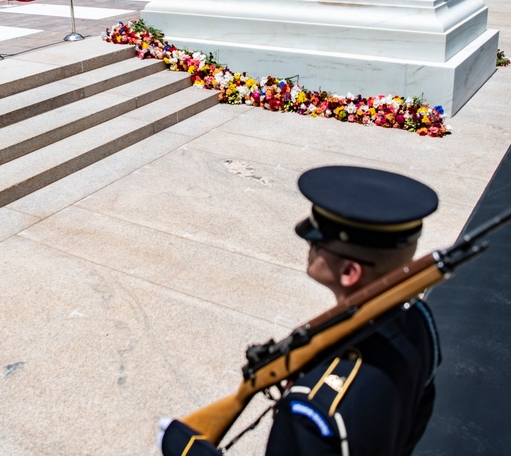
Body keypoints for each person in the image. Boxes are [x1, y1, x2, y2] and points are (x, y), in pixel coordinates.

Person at [158, 166, 442, 456]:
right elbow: (417, 417)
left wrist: (186, 448)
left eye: (316, 242)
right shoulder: (419, 321)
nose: (309, 247)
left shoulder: (311, 410)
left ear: (349, 272)